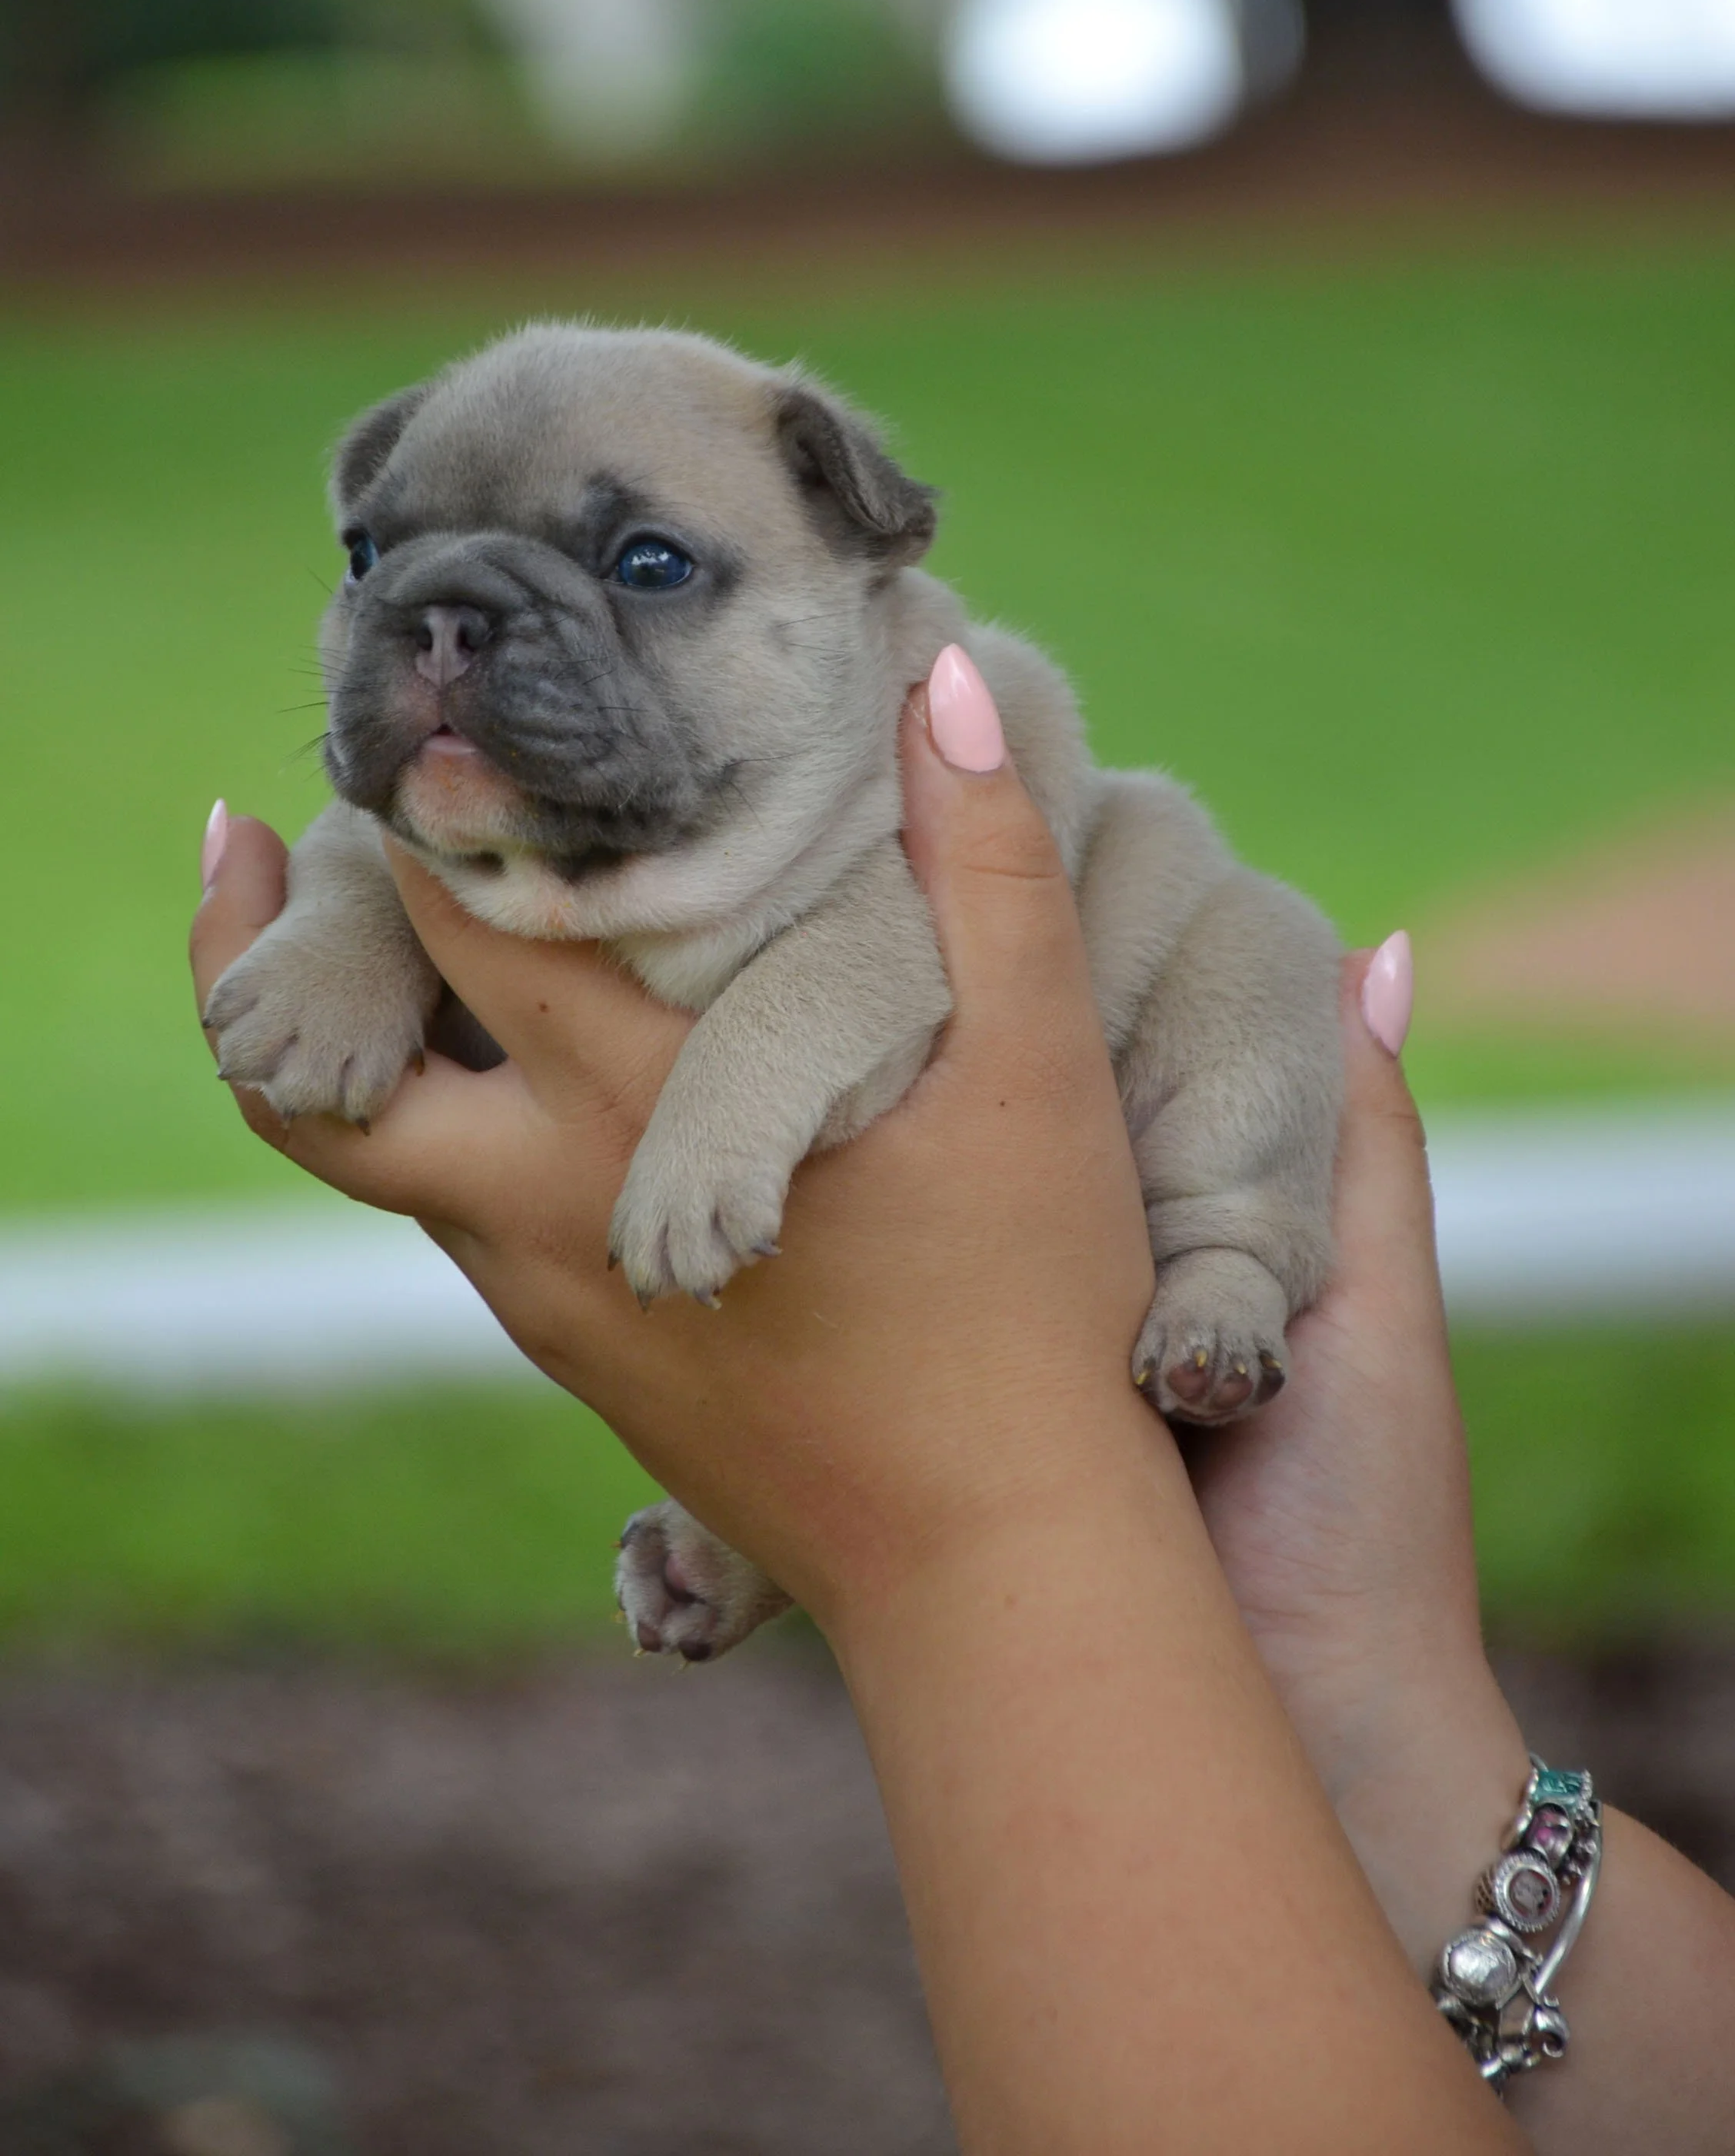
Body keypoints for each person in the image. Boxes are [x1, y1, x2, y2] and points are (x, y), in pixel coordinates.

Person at [191, 650, 1735, 2153]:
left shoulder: (853, 740)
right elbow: (379, 859)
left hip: (1126, 1121)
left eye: (650, 570)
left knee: (1245, 989)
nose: (463, 640)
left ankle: (1219, 1269)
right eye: (376, 563)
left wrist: (952, 1526)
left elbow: (879, 960)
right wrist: (1361, 1703)